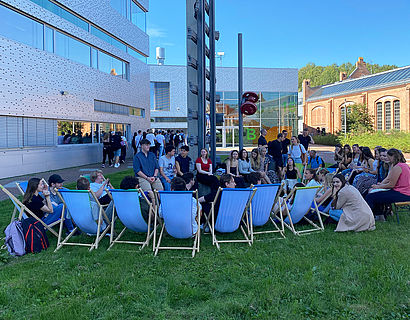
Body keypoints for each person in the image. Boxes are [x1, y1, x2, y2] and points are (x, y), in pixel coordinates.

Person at [365, 149, 410, 221]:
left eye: (388, 157)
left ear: (393, 157)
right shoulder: (404, 165)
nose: (387, 159)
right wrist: (379, 186)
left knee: (370, 197)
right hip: (405, 192)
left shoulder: (397, 167)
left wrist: (378, 186)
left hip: (402, 194)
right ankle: (380, 215)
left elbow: (391, 185)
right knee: (375, 193)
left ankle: (367, 217)